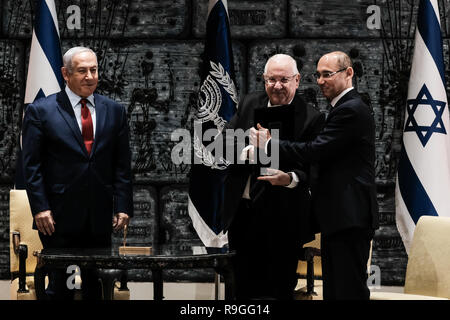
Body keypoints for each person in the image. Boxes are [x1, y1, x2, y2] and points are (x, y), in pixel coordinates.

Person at [256, 51, 379, 300]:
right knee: (336, 292)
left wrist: (270, 145)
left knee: (347, 292)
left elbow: (316, 150)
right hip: (340, 218)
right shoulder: (343, 108)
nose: (321, 81)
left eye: (328, 74)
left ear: (349, 73)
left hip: (349, 217)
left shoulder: (351, 110)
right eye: (319, 75)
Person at [22, 46, 133, 300]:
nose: (90, 76)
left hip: (100, 215)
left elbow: (122, 164)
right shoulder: (42, 111)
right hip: (57, 217)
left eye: (93, 70)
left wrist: (123, 206)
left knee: (96, 285)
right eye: (82, 71)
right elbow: (31, 165)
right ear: (65, 73)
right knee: (59, 286)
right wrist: (40, 208)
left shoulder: (115, 110)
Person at [221, 54, 325, 299]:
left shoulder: (312, 118)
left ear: (297, 80)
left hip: (284, 218)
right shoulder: (249, 103)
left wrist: (289, 178)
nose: (277, 86)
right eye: (271, 80)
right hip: (244, 214)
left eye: (284, 80)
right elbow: (224, 143)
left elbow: (312, 169)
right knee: (242, 290)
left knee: (277, 290)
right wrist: (249, 151)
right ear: (264, 80)